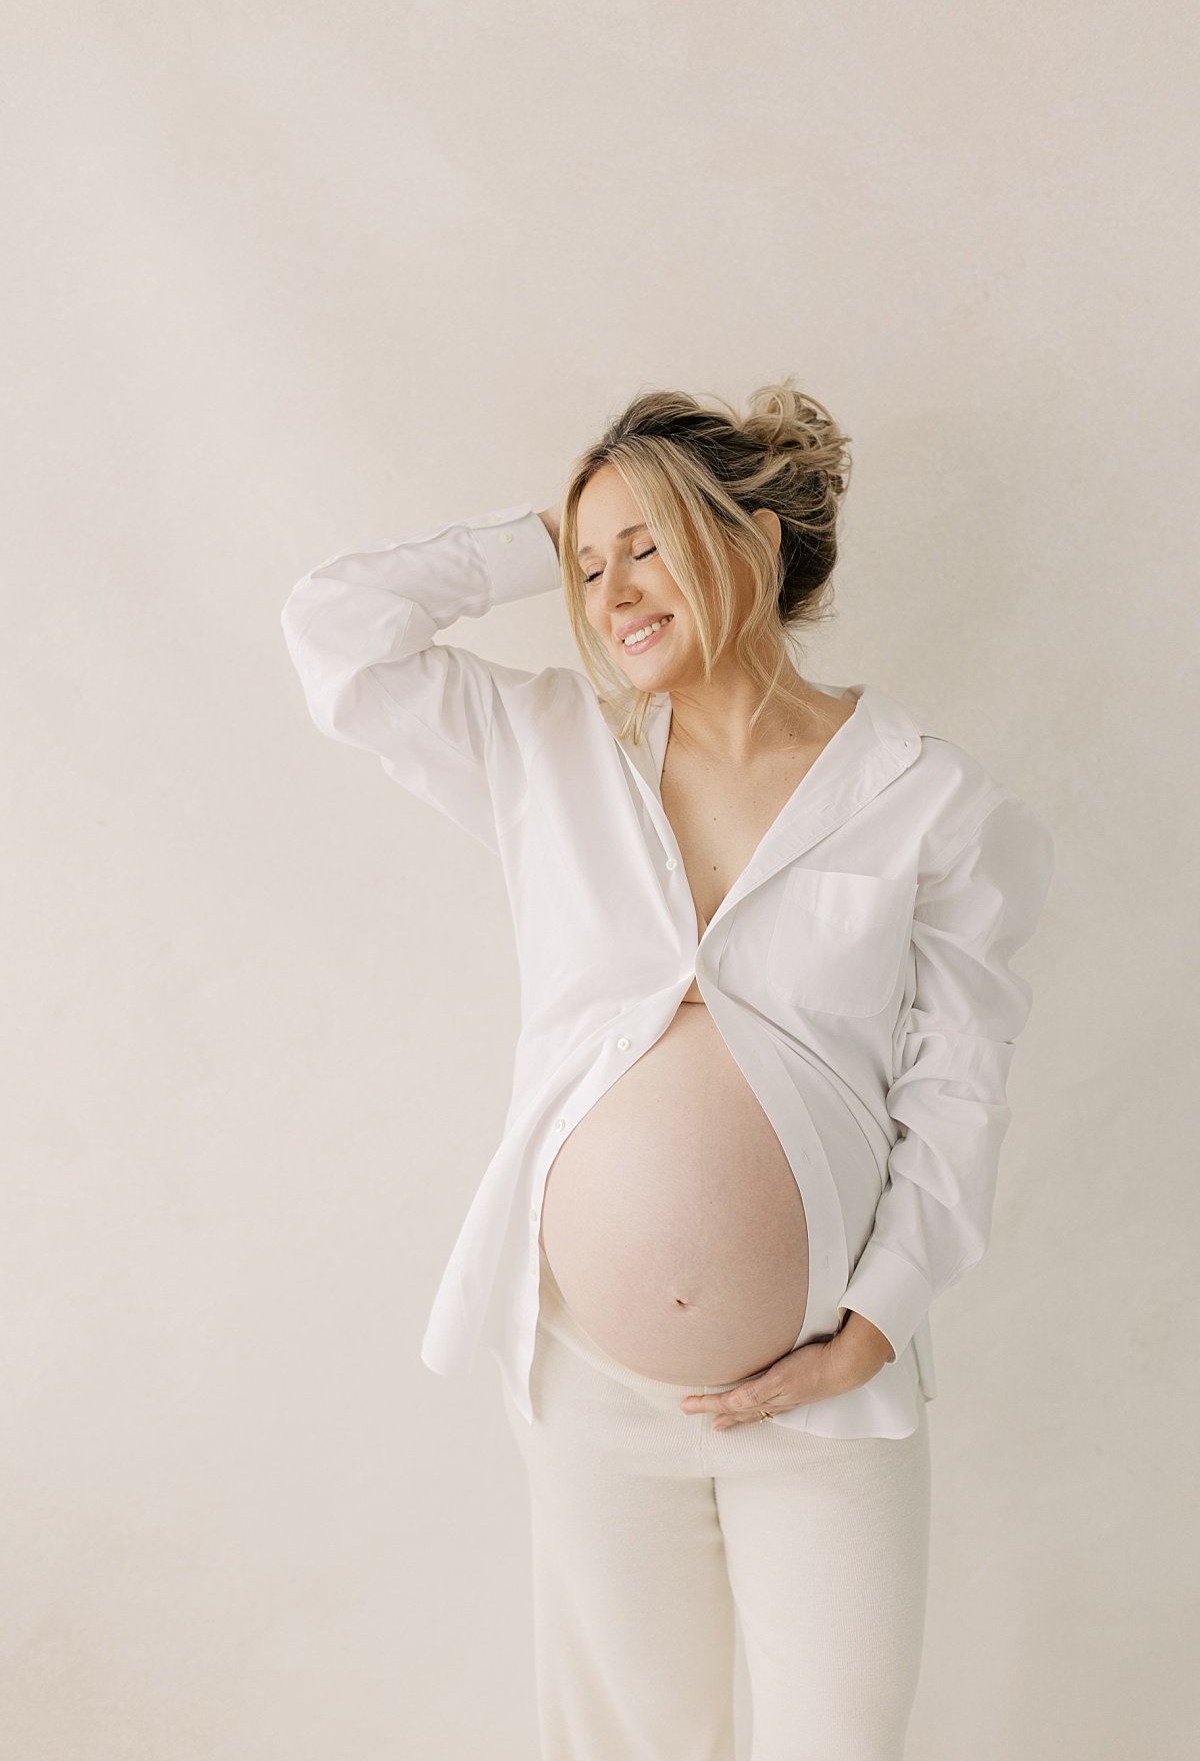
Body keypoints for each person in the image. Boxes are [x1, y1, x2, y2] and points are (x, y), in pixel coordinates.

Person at [280, 381, 1054, 1761]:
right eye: (590, 567)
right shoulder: (549, 751)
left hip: (827, 1392)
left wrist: (872, 1326)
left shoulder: (931, 803)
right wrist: (558, 527)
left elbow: (960, 1089)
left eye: (652, 547)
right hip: (588, 1389)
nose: (611, 590)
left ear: (753, 543)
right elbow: (333, 634)